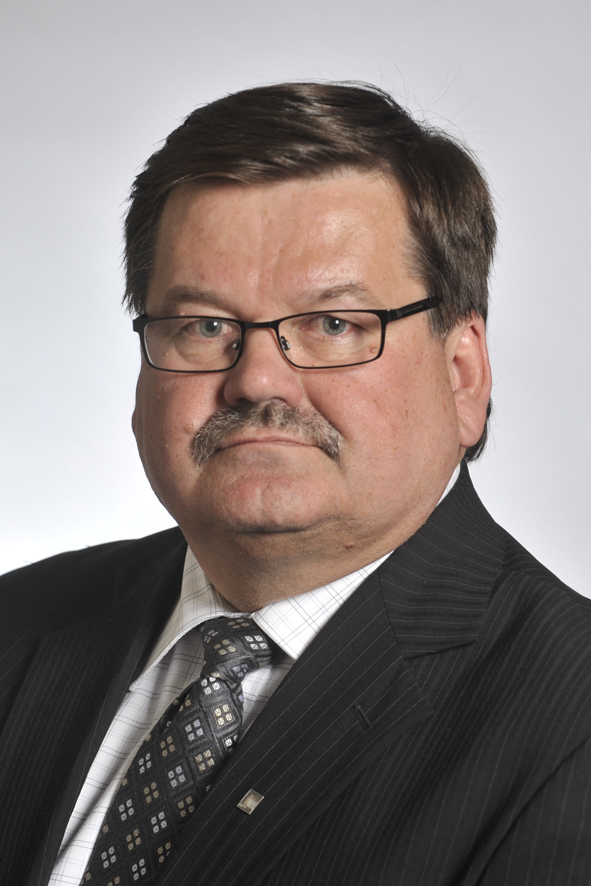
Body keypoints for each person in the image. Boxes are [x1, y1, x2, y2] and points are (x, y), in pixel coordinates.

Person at [1, 82, 590, 886]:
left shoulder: (570, 722)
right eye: (205, 325)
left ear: (461, 374)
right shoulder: (16, 622)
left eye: (333, 324)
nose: (257, 380)